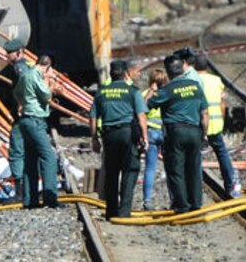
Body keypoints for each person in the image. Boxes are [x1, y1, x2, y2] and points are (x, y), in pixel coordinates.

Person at [148, 55, 208, 214]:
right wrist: (204, 135)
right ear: (182, 67)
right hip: (195, 131)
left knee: (176, 170)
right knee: (194, 169)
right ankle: (196, 203)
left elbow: (146, 106)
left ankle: (182, 206)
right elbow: (205, 114)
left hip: (176, 132)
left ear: (168, 72)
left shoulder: (167, 90)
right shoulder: (195, 86)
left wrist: (152, 90)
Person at [89, 59, 147, 220]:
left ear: (111, 74)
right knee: (130, 170)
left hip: (109, 135)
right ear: (125, 73)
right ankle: (124, 211)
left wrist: (94, 139)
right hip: (128, 133)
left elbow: (93, 118)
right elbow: (141, 117)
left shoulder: (101, 93)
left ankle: (111, 211)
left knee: (112, 172)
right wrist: (145, 137)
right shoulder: (133, 91)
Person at [13, 53, 60, 208]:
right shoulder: (35, 76)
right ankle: (50, 198)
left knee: (30, 160)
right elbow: (46, 95)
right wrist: (49, 80)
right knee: (49, 157)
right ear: (47, 66)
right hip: (35, 120)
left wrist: (24, 103)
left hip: (25, 120)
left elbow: (17, 93)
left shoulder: (25, 74)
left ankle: (30, 200)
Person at [193, 56, 241, 199]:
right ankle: (230, 184)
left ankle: (196, 190)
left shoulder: (193, 80)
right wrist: (222, 120)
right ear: (207, 67)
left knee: (196, 155)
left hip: (200, 124)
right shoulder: (216, 80)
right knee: (222, 153)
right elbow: (222, 104)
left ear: (194, 66)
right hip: (216, 124)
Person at [0, 39, 31, 200]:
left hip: (22, 117)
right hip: (29, 115)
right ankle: (29, 189)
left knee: (17, 151)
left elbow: (22, 91)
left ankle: (20, 191)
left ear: (19, 52)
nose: (7, 56)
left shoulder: (20, 69)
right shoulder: (27, 68)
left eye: (9, 53)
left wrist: (19, 106)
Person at [141, 68, 169, 211]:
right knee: (170, 168)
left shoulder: (145, 94)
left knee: (150, 168)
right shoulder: (167, 94)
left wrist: (151, 92)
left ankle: (147, 200)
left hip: (151, 133)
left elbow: (141, 110)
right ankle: (174, 198)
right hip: (165, 133)